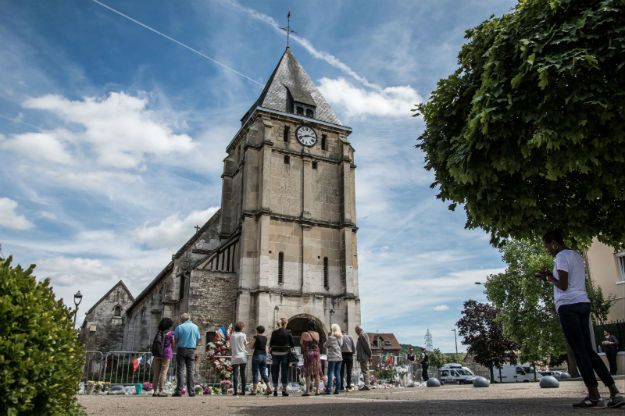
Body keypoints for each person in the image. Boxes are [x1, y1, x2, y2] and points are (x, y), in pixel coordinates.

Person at [537, 230, 623, 408]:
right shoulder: (576, 255)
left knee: (580, 352)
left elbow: (563, 285)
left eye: (547, 246)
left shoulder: (561, 257)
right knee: (589, 351)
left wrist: (548, 278)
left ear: (554, 243)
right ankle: (614, 392)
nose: (547, 250)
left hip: (569, 306)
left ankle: (594, 395)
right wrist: (550, 276)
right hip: (583, 303)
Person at [173, 313, 201, 397]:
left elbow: (176, 339)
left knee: (180, 370)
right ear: (189, 318)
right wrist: (194, 347)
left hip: (181, 349)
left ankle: (179, 391)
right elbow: (198, 339)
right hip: (191, 350)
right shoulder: (195, 327)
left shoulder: (179, 327)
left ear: (182, 319)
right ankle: (191, 391)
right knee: (190, 371)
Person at [269, 317, 294, 396]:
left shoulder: (274, 332)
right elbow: (292, 344)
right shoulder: (288, 332)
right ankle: (284, 389)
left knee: (275, 371)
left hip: (275, 353)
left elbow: (270, 344)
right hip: (285, 353)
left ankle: (275, 389)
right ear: (285, 323)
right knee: (284, 371)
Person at [151, 317, 174, 397]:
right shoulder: (170, 334)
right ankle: (161, 390)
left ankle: (155, 391)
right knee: (163, 373)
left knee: (156, 373)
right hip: (166, 354)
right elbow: (173, 344)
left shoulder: (158, 332)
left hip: (157, 354)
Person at [300, 320, 322, 396]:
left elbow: (301, 343)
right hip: (316, 353)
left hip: (308, 353)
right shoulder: (317, 334)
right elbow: (317, 342)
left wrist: (306, 348)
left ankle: (307, 391)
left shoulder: (304, 334)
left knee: (308, 373)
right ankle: (318, 390)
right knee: (317, 372)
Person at [250, 325, 272, 395]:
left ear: (257, 330)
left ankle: (254, 390)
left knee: (255, 373)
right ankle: (269, 387)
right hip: (264, 356)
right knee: (263, 373)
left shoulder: (255, 337)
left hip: (257, 355)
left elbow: (251, 346)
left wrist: (251, 344)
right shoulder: (265, 338)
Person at [324, 324, 344, 394]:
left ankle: (329, 389)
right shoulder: (340, 337)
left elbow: (325, 345)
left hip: (332, 358)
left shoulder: (331, 337)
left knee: (330, 373)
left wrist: (329, 337)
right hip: (339, 357)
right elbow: (341, 345)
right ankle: (337, 389)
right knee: (337, 373)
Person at [230, 321, 248, 396]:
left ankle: (235, 391)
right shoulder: (243, 335)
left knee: (235, 374)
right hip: (242, 355)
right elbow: (245, 343)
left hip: (235, 356)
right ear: (241, 328)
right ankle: (243, 391)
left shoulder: (232, 335)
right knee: (243, 374)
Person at [355, 326, 372, 390]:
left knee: (365, 370)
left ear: (358, 330)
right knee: (365, 370)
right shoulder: (362, 335)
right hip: (363, 356)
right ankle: (367, 384)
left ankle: (367, 385)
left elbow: (366, 346)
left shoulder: (362, 335)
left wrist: (370, 355)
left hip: (364, 356)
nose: (356, 333)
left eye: (356, 331)